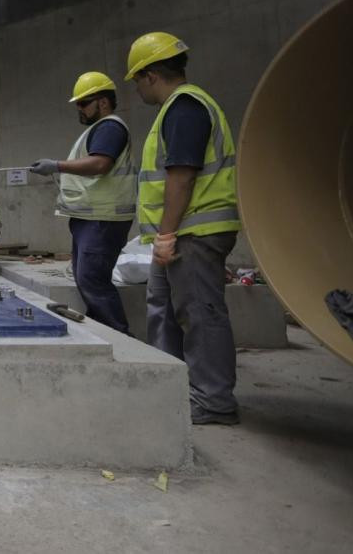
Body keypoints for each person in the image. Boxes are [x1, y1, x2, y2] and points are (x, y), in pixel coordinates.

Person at [125, 32, 242, 426]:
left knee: (200, 314)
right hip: (180, 232)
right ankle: (171, 387)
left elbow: (181, 177)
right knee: (162, 307)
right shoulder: (177, 109)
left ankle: (213, 402)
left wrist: (166, 235)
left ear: (151, 75)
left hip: (193, 232)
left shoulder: (185, 107)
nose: (138, 89)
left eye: (137, 80)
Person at [29, 72, 137, 333]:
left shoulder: (109, 127)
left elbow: (100, 164)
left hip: (103, 218)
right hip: (91, 218)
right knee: (85, 277)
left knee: (92, 279)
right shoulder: (98, 130)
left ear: (102, 102)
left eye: (83, 103)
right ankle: (103, 329)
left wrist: (56, 166)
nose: (79, 109)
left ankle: (119, 335)